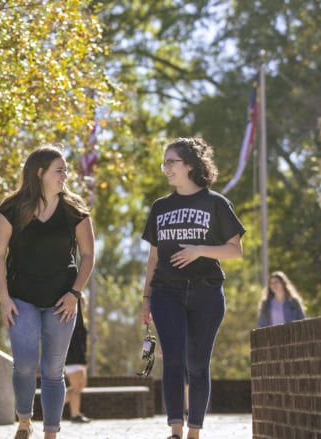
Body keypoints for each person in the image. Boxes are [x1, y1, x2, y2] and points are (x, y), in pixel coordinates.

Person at [140, 137, 246, 439]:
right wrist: (146, 297)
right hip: (166, 292)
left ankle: (194, 431)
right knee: (172, 359)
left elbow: (234, 250)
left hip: (206, 292)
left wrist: (200, 249)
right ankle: (175, 429)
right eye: (164, 163)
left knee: (197, 363)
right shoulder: (160, 207)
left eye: (171, 162)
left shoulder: (216, 203)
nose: (165, 168)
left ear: (190, 164)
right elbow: (153, 257)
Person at [0, 145, 95, 439]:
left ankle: (51, 432)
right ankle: (24, 420)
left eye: (65, 170)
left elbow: (87, 255)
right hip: (21, 297)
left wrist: (75, 293)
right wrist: (4, 298)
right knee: (24, 363)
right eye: (59, 170)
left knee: (53, 369)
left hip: (62, 300)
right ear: (40, 172)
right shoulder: (11, 208)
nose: (66, 175)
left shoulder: (75, 210)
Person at [64, 298, 91, 423]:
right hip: (72, 358)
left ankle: (76, 414)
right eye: (81, 302)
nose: (83, 305)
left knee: (79, 387)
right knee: (75, 387)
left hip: (79, 358)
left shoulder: (81, 321)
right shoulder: (72, 317)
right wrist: (77, 296)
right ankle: (74, 415)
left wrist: (84, 360)